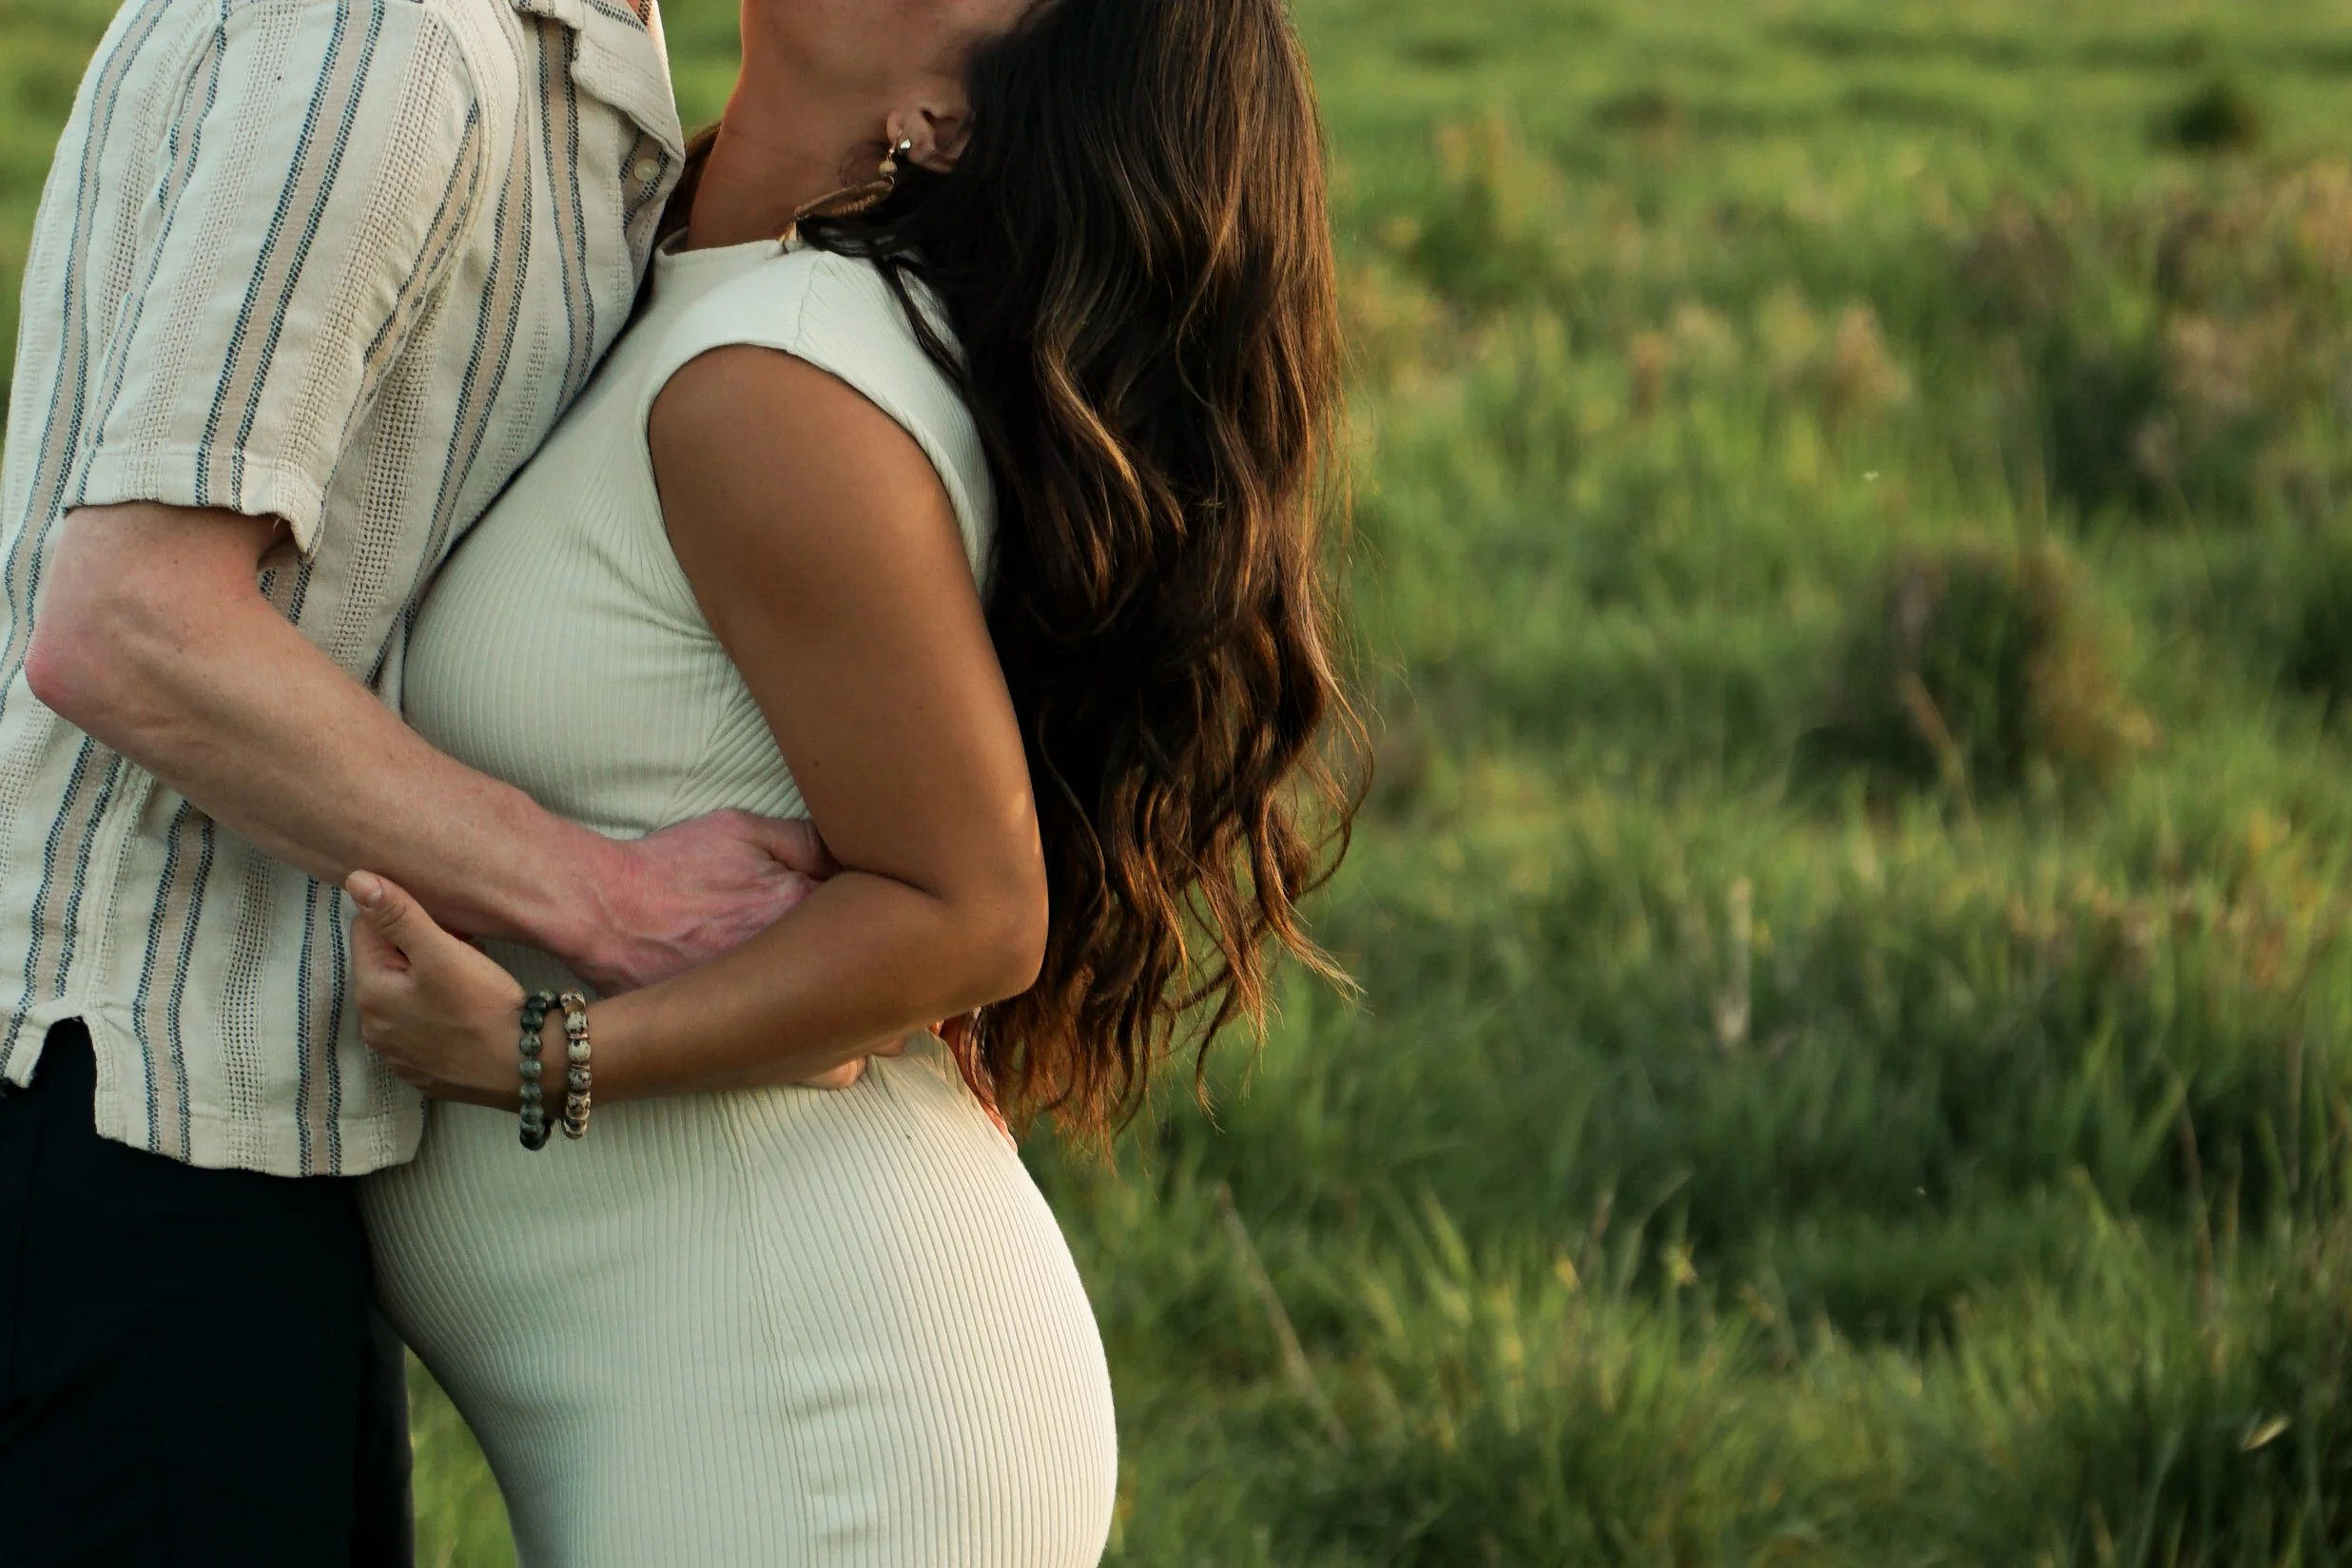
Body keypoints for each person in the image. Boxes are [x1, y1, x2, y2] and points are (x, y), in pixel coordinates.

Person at [345, 0, 1361, 1558]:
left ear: (944, 123)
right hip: (750, 1394)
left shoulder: (786, 380)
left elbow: (970, 911)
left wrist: (548, 1054)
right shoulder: (699, 278)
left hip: (821, 1427)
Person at [0, 0, 857, 1560]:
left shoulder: (570, 42)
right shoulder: (384, 38)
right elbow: (129, 624)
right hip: (124, 1118)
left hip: (258, 1100)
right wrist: (606, 901)